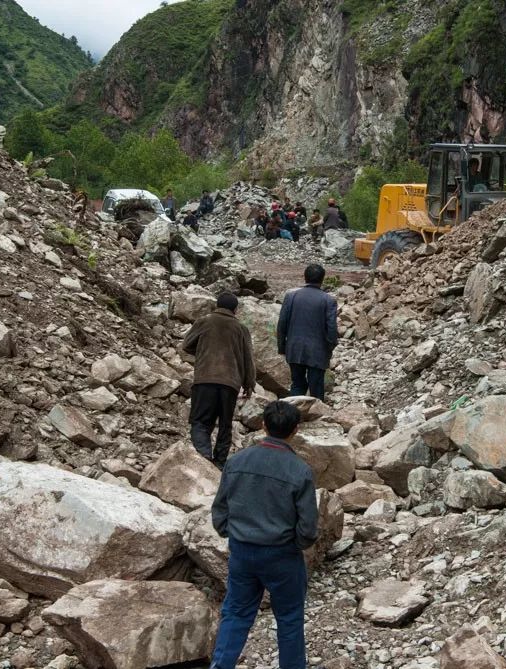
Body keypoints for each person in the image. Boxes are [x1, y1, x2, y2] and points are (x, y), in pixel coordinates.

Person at [210, 400, 317, 669]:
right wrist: (295, 544)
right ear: (295, 429)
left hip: (242, 550)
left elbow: (220, 508)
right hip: (282, 554)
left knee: (236, 613)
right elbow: (308, 526)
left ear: (263, 425)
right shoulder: (300, 470)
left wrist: (231, 532)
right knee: (289, 618)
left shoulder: (237, 461)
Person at [182, 293, 256, 468]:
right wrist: (249, 383)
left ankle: (204, 454)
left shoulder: (204, 321)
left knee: (200, 421)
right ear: (235, 309)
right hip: (230, 383)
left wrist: (202, 352)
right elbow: (248, 358)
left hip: (204, 379)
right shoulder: (241, 328)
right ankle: (220, 463)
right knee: (225, 424)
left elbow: (186, 345)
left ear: (217, 305)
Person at [277, 264, 337, 401]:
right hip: (318, 352)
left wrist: (282, 347)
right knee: (316, 389)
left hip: (294, 349)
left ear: (305, 278)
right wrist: (330, 347)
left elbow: (282, 324)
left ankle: (293, 411)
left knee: (297, 384)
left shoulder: (291, 297)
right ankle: (317, 413)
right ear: (322, 279)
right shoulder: (328, 300)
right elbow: (332, 328)